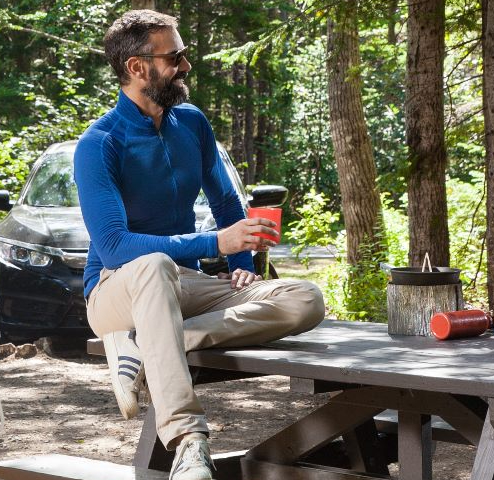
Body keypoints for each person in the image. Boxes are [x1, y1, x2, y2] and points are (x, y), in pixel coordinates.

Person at [75, 10, 327, 480]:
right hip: (115, 289)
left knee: (304, 298)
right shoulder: (100, 144)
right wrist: (214, 241)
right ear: (137, 67)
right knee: (150, 264)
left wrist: (240, 259)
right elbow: (113, 247)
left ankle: (145, 343)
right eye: (175, 57)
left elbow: (226, 199)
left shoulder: (191, 122)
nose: (186, 65)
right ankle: (188, 442)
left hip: (181, 287)